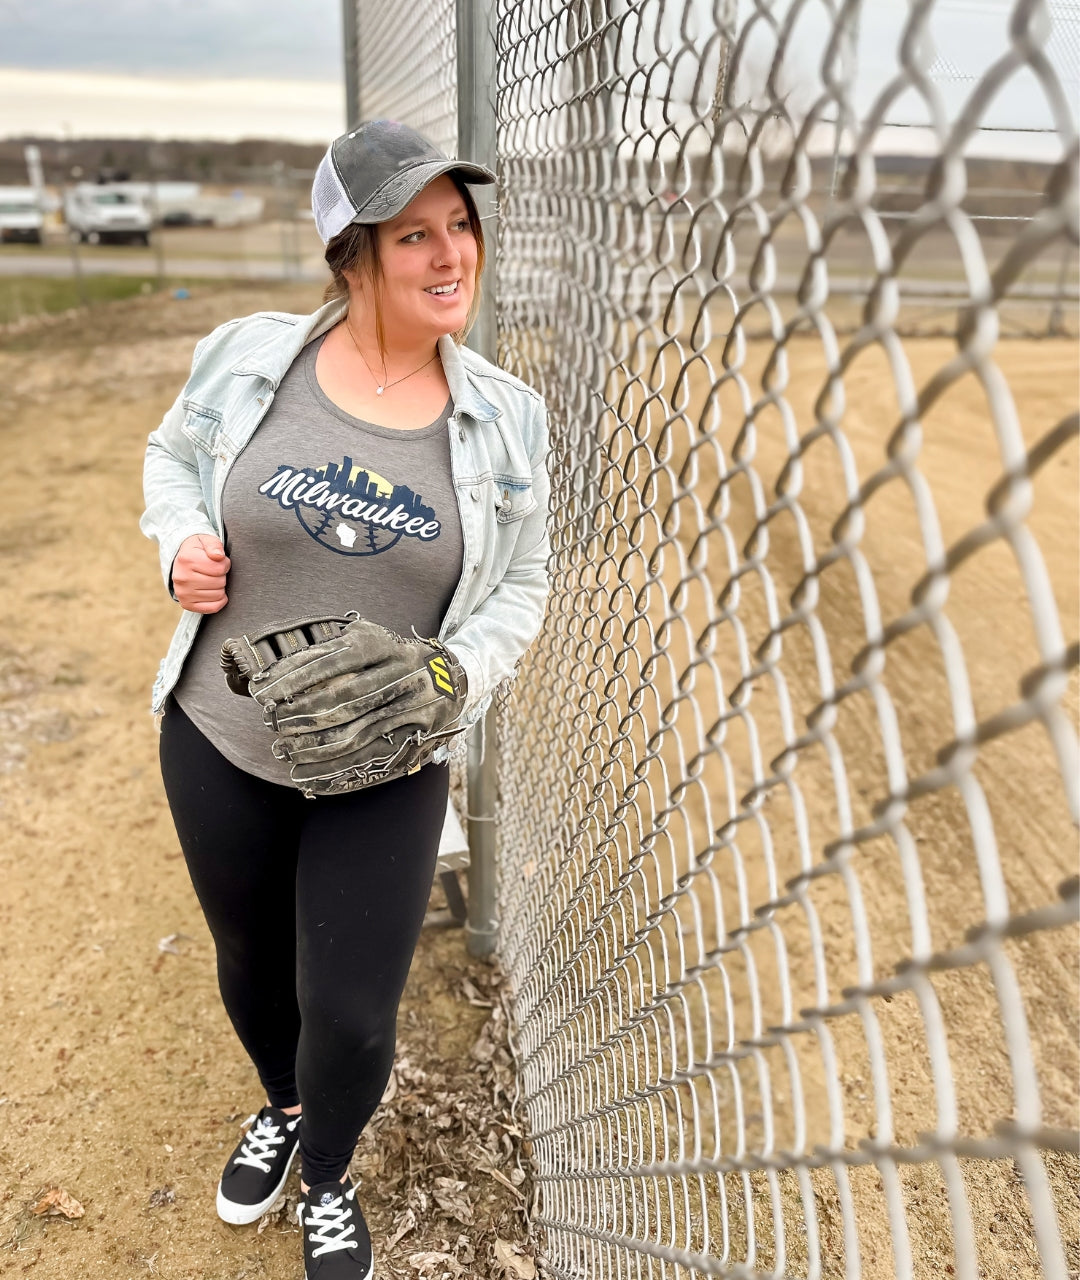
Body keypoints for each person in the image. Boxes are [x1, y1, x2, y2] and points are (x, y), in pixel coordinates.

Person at [140, 119, 551, 1280]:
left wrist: (450, 671)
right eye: (412, 232)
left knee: (359, 1010)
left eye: (459, 225)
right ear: (350, 253)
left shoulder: (507, 420)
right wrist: (180, 537)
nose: (450, 253)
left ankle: (327, 1167)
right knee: (252, 955)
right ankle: (279, 1104)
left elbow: (526, 579)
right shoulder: (249, 355)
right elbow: (172, 458)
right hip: (220, 733)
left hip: (385, 756)